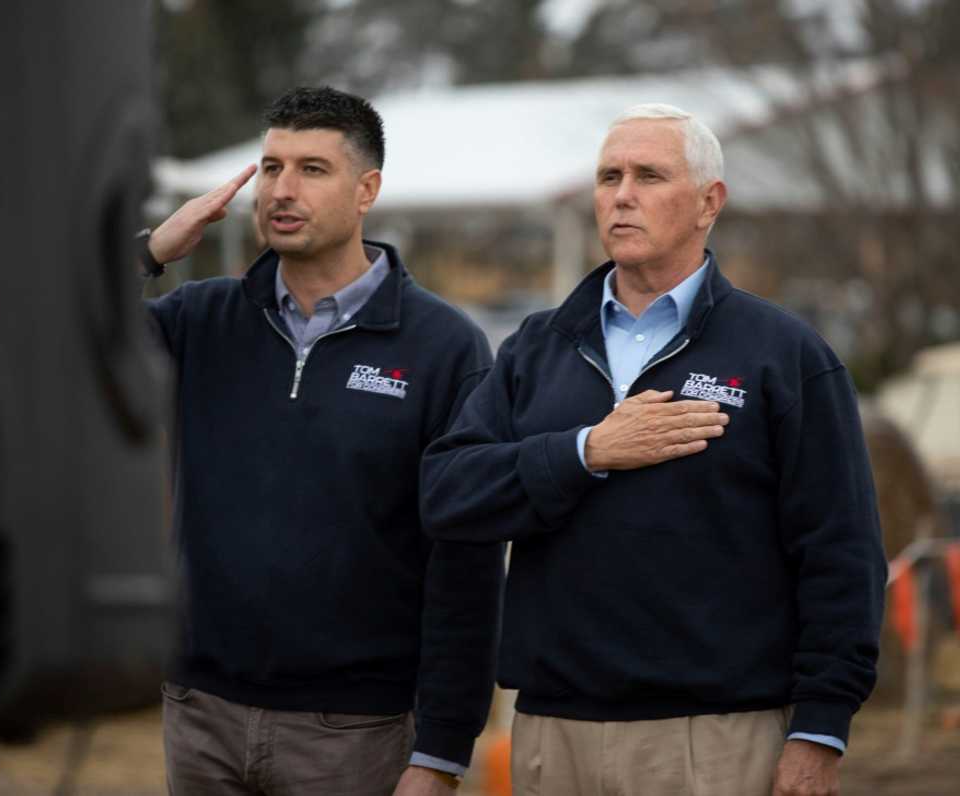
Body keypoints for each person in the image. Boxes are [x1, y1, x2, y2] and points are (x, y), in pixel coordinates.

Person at [420, 104, 886, 796]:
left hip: (716, 737)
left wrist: (820, 729)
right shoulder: (535, 349)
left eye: (649, 175)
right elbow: (449, 492)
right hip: (553, 733)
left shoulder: (782, 356)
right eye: (609, 177)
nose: (622, 195)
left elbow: (841, 550)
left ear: (708, 203)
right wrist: (586, 450)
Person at [140, 87, 503, 796]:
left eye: (311, 169)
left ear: (366, 189)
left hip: (355, 733)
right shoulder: (197, 321)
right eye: (271, 167)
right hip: (198, 715)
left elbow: (466, 556)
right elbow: (50, 348)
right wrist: (151, 252)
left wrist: (442, 752)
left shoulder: (443, 347)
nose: (282, 188)